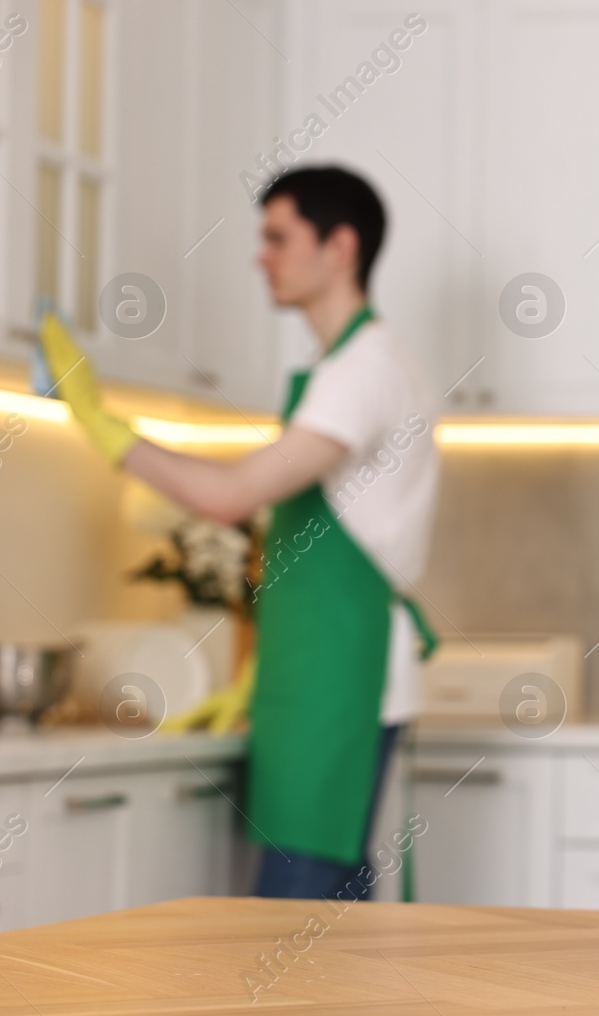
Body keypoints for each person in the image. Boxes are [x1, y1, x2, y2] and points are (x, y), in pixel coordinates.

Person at [42, 166, 440, 900]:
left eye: (278, 237)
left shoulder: (363, 369)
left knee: (294, 916)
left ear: (340, 246)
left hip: (340, 679)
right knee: (325, 912)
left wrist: (100, 424)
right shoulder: (340, 367)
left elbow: (230, 496)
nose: (262, 256)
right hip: (313, 671)